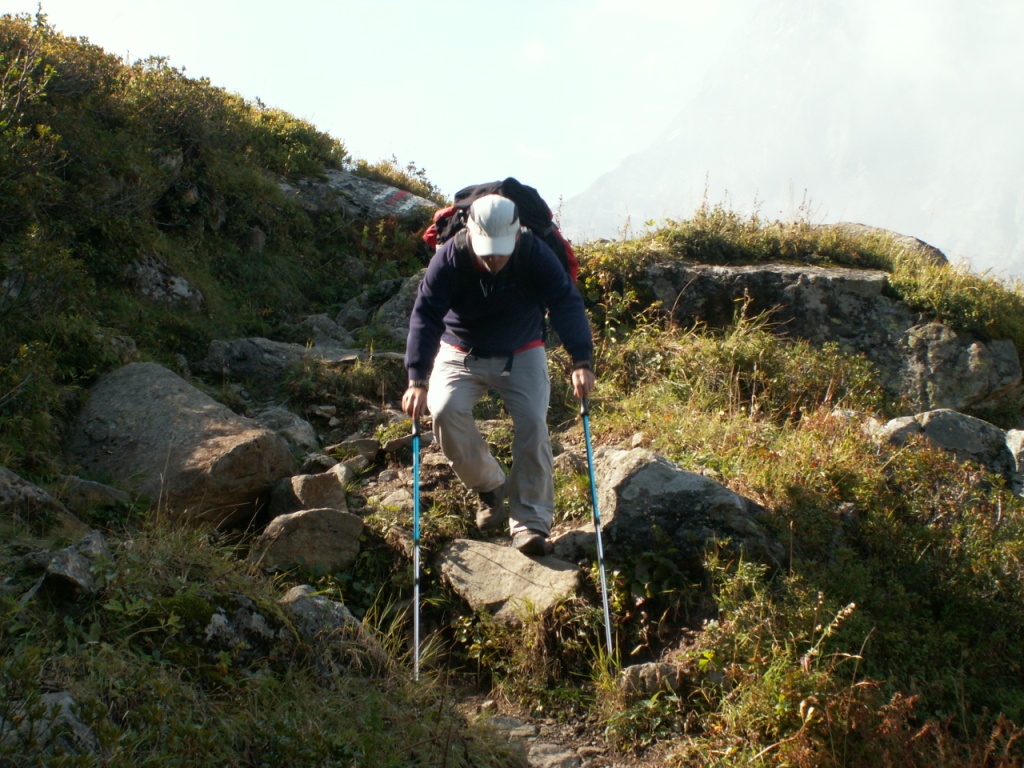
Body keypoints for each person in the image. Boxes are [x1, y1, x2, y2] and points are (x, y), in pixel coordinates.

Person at [402, 193, 595, 556]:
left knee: (533, 425)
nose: (493, 259)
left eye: (501, 251)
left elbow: (565, 302)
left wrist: (581, 361)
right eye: (487, 252)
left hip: (522, 351)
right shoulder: (451, 257)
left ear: (517, 235)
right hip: (460, 350)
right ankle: (490, 486)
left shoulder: (534, 254)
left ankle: (530, 523)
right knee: (443, 410)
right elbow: (426, 315)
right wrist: (417, 379)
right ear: (471, 235)